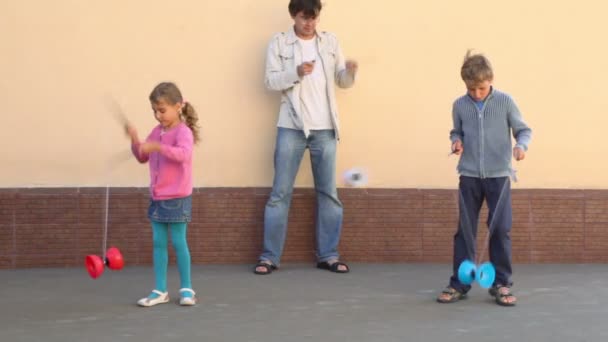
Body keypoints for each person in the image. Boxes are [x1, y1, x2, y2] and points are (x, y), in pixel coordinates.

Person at [254, 0, 358, 275]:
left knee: (329, 194)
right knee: (280, 193)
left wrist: (350, 72)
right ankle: (269, 257)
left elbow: (342, 82)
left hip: (325, 128)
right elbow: (270, 81)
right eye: (304, 18)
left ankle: (329, 256)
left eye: (314, 17)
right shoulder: (279, 43)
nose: (310, 23)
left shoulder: (330, 42)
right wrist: (296, 72)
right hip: (291, 127)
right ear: (294, 16)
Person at [436, 51, 532, 306]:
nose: (476, 93)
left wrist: (521, 146)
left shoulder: (506, 102)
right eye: (471, 89)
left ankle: (501, 284)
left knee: (500, 229)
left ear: (490, 80)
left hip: (499, 176)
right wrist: (457, 142)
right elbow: (456, 131)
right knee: (465, 231)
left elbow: (523, 130)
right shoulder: (460, 105)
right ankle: (459, 283)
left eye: (481, 88)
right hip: (469, 176)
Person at [127, 82, 200, 306]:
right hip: (158, 198)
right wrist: (135, 140)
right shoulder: (156, 132)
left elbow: (183, 156)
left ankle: (187, 289)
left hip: (178, 197)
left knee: (179, 242)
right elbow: (142, 156)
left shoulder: (183, 132)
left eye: (162, 110)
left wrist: (158, 147)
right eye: (154, 111)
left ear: (178, 106)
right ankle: (160, 290)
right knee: (159, 243)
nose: (158, 116)